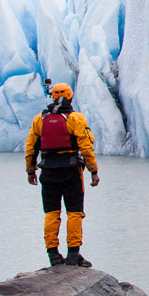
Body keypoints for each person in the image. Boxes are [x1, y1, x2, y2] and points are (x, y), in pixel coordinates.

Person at [24, 81, 100, 267]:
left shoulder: (39, 120)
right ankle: (73, 254)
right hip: (71, 171)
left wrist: (30, 170)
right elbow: (86, 147)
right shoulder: (75, 118)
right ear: (70, 97)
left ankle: (53, 254)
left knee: (51, 212)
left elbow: (31, 147)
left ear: (52, 96)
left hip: (47, 171)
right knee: (74, 212)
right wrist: (93, 170)